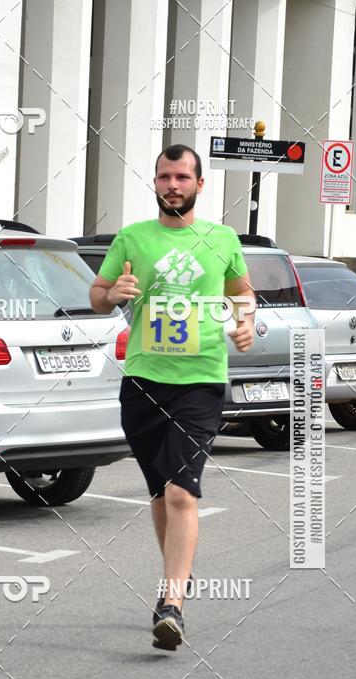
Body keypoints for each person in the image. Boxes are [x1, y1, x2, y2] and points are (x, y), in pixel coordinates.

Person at [89, 144, 255, 651]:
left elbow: (241, 291)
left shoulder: (222, 238)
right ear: (156, 183)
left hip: (201, 380)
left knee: (182, 492)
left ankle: (172, 602)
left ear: (200, 185)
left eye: (183, 177)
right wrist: (113, 294)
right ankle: (173, 582)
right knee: (162, 493)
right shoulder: (133, 237)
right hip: (143, 382)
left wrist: (245, 322)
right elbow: (96, 297)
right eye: (165, 177)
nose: (173, 185)